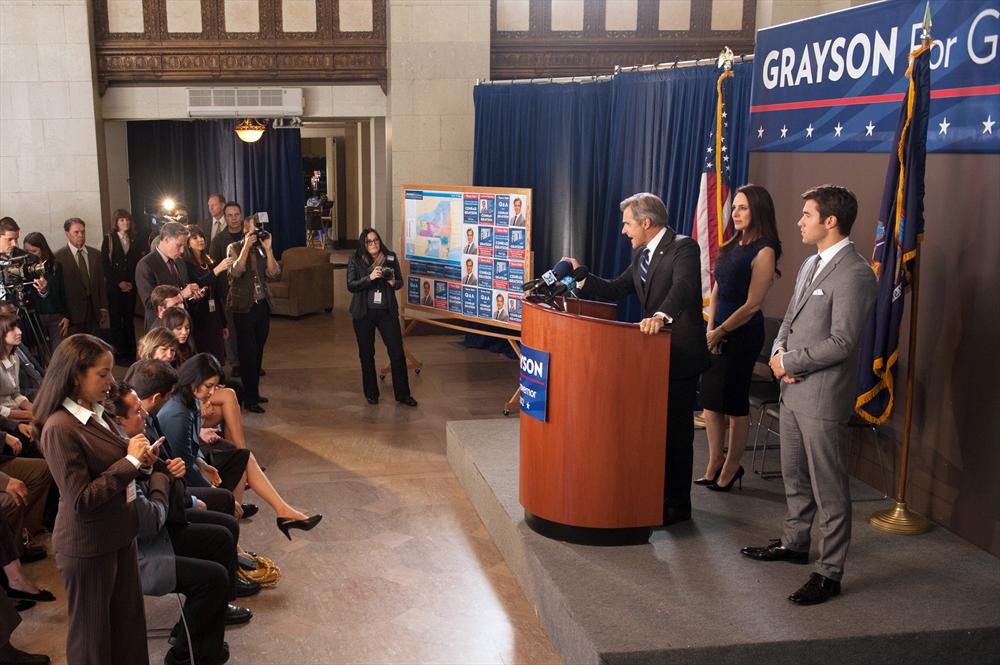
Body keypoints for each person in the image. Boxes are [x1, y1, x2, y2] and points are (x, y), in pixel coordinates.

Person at [741, 185, 878, 606]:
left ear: (830, 220)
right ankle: (795, 544)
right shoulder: (808, 264)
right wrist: (779, 354)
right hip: (793, 392)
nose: (799, 221)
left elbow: (842, 341)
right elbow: (789, 322)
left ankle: (829, 572)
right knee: (794, 478)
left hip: (822, 399)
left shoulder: (856, 273)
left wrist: (791, 363)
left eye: (806, 214)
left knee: (829, 490)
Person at [565, 192, 710, 526]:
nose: (623, 231)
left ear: (646, 222)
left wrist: (661, 315)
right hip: (652, 358)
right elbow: (615, 289)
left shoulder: (683, 247)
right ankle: (655, 496)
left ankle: (677, 506)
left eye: (627, 223)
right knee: (654, 433)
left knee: (676, 434)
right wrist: (580, 275)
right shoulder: (642, 255)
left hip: (680, 356)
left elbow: (685, 288)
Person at [34, 334, 155, 665]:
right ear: (76, 375)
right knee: (92, 642)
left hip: (118, 534)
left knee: (127, 629)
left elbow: (117, 465)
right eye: (102, 374)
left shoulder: (97, 413)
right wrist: (129, 462)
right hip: (88, 545)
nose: (110, 382)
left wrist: (140, 464)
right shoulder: (60, 428)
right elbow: (81, 499)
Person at [157, 354, 322, 539]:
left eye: (215, 386)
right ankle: (240, 534)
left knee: (243, 457)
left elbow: (190, 451)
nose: (212, 392)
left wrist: (204, 464)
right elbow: (185, 468)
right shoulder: (177, 414)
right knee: (239, 467)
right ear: (192, 381)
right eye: (208, 386)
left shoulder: (191, 401)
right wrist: (217, 494)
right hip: (179, 483)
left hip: (192, 468)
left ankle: (278, 514)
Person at [697, 184, 782, 492]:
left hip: (743, 334)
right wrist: (710, 328)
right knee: (710, 403)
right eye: (735, 207)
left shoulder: (765, 250)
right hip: (716, 330)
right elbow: (717, 289)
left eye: (743, 207)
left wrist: (721, 331)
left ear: (758, 210)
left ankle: (733, 467)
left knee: (733, 405)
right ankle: (713, 462)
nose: (735, 212)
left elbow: (752, 304)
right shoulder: (732, 244)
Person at [347, 228, 417, 407]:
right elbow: (351, 285)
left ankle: (403, 394)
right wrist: (369, 277)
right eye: (369, 241)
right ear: (364, 244)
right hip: (363, 313)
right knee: (366, 353)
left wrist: (393, 282)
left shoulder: (390, 257)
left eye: (376, 240)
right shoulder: (355, 259)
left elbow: (400, 281)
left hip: (386, 311)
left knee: (396, 352)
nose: (373, 244)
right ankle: (371, 393)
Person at [225, 215, 277, 413]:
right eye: (253, 229)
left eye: (258, 229)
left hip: (261, 306)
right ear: (246, 230)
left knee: (258, 351)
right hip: (242, 307)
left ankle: (254, 393)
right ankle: (249, 398)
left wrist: (270, 250)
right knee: (248, 353)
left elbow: (273, 273)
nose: (256, 232)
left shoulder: (262, 249)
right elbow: (236, 272)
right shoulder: (234, 247)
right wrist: (246, 246)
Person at [135, 222, 203, 331]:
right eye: (179, 245)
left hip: (182, 326)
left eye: (183, 246)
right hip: (161, 328)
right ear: (166, 239)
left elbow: (183, 292)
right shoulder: (145, 265)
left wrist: (192, 295)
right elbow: (149, 302)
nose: (182, 251)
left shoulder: (180, 262)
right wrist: (181, 295)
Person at [184, 225, 233, 365]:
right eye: (194, 238)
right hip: (199, 316)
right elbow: (196, 285)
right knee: (204, 355)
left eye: (201, 236)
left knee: (217, 354)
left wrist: (224, 323)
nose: (200, 240)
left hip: (214, 315)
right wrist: (217, 270)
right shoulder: (186, 264)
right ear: (187, 242)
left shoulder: (208, 261)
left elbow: (215, 294)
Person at [54, 218, 108, 335]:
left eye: (83, 232)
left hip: (94, 311)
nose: (81, 235)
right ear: (67, 234)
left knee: (93, 346)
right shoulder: (58, 258)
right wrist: (63, 315)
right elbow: (57, 290)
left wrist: (103, 307)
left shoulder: (95, 255)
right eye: (76, 232)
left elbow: (101, 283)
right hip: (72, 315)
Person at [101, 209, 141, 363]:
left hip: (130, 286)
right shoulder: (109, 239)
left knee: (129, 320)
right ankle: (117, 355)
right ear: (116, 222)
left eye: (127, 220)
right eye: (122, 220)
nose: (125, 223)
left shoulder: (133, 239)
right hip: (114, 287)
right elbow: (105, 264)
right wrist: (119, 282)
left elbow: (136, 263)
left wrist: (131, 282)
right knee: (116, 320)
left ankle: (131, 353)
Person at [22, 232, 71, 351]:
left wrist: (66, 316)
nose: (30, 255)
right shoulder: (23, 269)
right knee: (41, 355)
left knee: (59, 353)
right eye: (26, 251)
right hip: (36, 316)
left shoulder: (55, 266)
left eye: (34, 251)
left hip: (56, 316)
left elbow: (62, 292)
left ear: (42, 250)